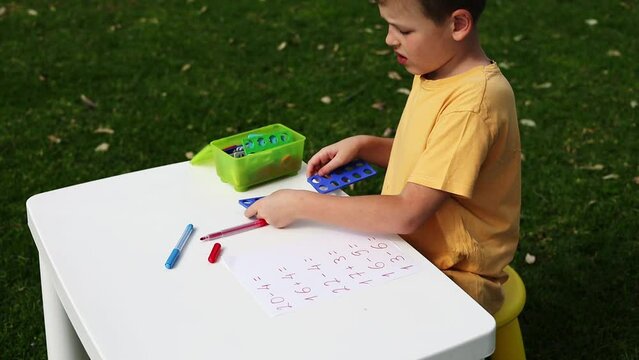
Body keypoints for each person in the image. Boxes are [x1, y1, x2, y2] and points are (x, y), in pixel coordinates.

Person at [245, 0, 520, 315]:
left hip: (457, 277)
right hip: (409, 251)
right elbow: (433, 160)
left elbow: (408, 213)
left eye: (403, 29)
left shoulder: (472, 104)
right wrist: (366, 146)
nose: (390, 39)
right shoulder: (438, 69)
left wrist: (299, 204)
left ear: (457, 25)